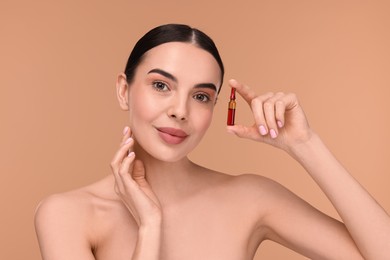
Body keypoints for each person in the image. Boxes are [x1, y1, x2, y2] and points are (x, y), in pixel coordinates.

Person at [34, 24, 390, 260]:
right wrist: (150, 226)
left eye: (201, 96)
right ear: (124, 90)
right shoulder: (68, 214)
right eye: (161, 86)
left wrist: (305, 143)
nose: (180, 111)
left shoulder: (252, 198)